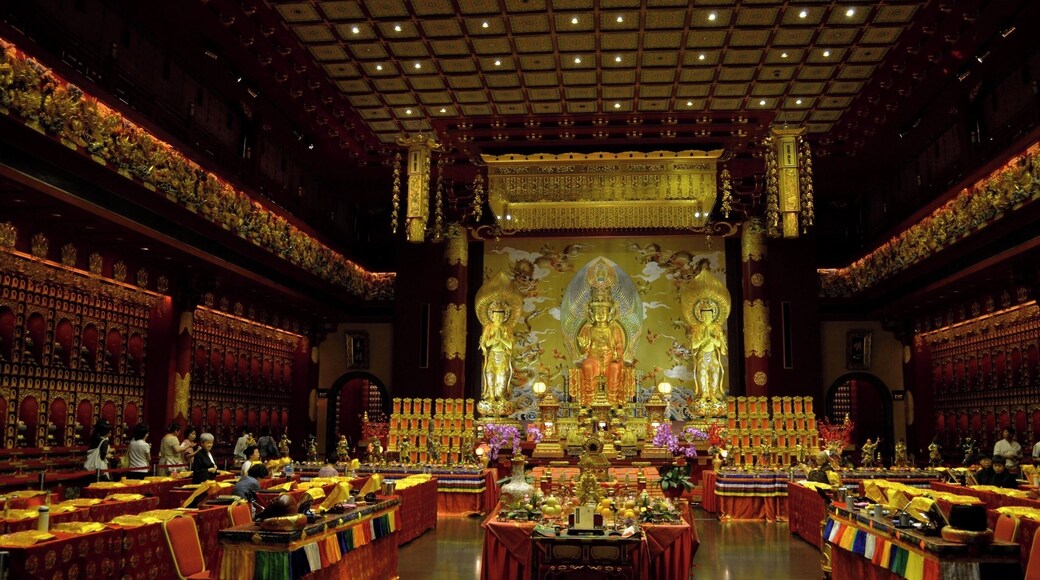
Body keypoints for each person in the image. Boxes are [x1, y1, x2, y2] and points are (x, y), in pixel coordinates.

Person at [479, 301, 514, 403]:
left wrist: (502, 339)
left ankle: (501, 396)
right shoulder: (489, 328)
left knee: (503, 375)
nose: (498, 319)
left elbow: (511, 344)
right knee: (490, 374)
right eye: (496, 316)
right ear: (492, 317)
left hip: (502, 356)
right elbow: (484, 343)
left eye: (500, 316)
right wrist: (494, 339)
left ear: (504, 317)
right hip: (492, 355)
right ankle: (491, 396)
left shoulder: (507, 328)